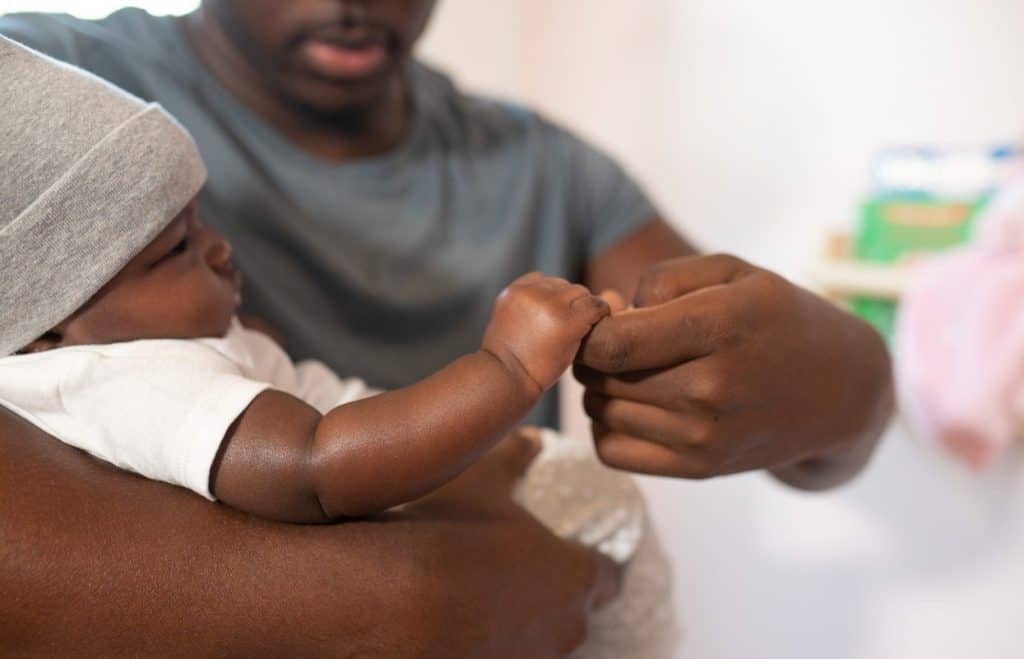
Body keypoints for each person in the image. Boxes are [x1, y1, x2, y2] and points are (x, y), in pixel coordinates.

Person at [0, 0, 894, 653]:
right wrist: (352, 600)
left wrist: (851, 384)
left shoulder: (550, 169)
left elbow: (791, 421)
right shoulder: (49, 116)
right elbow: (315, 463)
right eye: (174, 250)